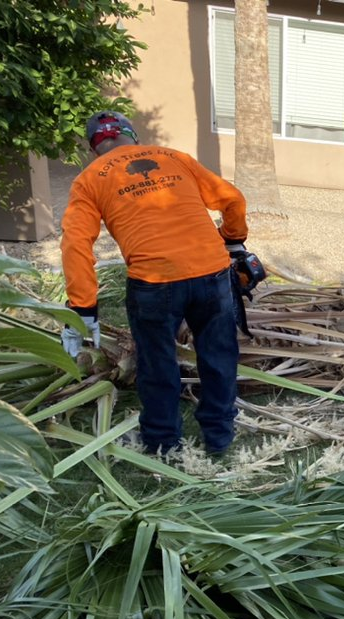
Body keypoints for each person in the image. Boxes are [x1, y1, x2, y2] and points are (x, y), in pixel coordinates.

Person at [60, 111, 248, 456]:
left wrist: (83, 308)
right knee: (219, 355)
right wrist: (233, 239)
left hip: (155, 282)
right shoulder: (175, 158)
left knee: (157, 361)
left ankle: (163, 442)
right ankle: (220, 437)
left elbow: (75, 244)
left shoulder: (90, 179)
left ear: (94, 148)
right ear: (133, 136)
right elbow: (233, 199)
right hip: (212, 272)